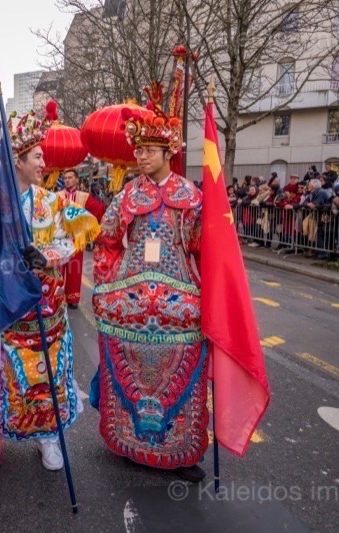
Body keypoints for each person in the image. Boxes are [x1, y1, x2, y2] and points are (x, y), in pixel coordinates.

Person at [91, 87, 208, 483]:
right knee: (131, 377)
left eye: (148, 150)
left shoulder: (191, 198)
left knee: (183, 381)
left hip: (180, 303)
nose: (140, 156)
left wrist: (210, 290)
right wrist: (107, 284)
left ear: (167, 152)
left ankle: (179, 454)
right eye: (137, 150)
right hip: (131, 305)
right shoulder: (127, 196)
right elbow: (106, 241)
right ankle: (131, 444)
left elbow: (203, 249)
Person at [0, 110, 100, 471]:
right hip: (9, 314)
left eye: (42, 155)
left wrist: (47, 255)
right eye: (37, 156)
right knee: (10, 377)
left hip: (47, 311)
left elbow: (77, 236)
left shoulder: (53, 202)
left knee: (49, 374)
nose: (44, 162)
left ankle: (49, 437)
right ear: (18, 161)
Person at [58, 168, 105, 308]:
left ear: (77, 180)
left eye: (70, 177)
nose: (67, 180)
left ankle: (72, 298)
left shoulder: (84, 196)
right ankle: (57, 296)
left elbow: (98, 210)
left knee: (74, 269)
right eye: (65, 178)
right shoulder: (57, 195)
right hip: (59, 238)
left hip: (77, 239)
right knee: (58, 269)